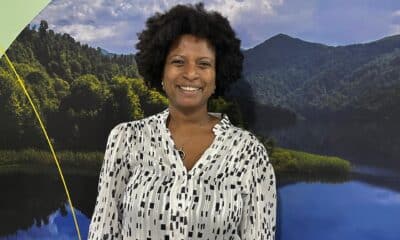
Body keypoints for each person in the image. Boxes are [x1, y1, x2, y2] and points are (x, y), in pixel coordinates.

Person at [88, 3, 276, 240]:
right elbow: (102, 233)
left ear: (218, 76)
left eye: (204, 64)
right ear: (161, 71)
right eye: (178, 61)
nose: (190, 73)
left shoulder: (249, 153)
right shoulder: (126, 139)